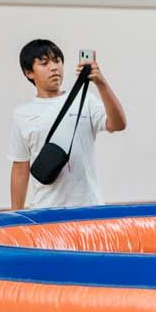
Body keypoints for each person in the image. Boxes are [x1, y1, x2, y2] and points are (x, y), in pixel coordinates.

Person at [8, 39, 128, 209]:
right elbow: (20, 168)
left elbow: (118, 124)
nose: (54, 67)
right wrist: (16, 215)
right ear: (29, 73)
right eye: (44, 63)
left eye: (57, 61)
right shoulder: (22, 114)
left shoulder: (85, 100)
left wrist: (101, 83)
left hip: (88, 207)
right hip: (45, 210)